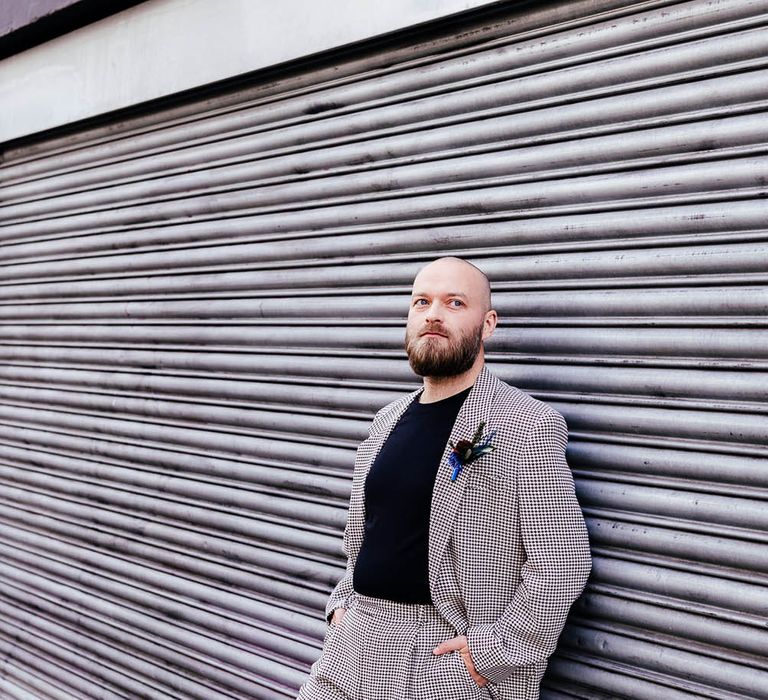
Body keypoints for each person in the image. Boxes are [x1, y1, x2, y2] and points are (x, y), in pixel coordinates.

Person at [298, 257, 591, 700]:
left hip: (439, 659)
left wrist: (492, 654)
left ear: (487, 324)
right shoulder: (386, 421)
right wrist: (342, 608)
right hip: (350, 647)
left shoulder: (525, 424)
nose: (433, 313)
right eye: (422, 302)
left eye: (454, 302)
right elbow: (364, 539)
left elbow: (563, 563)